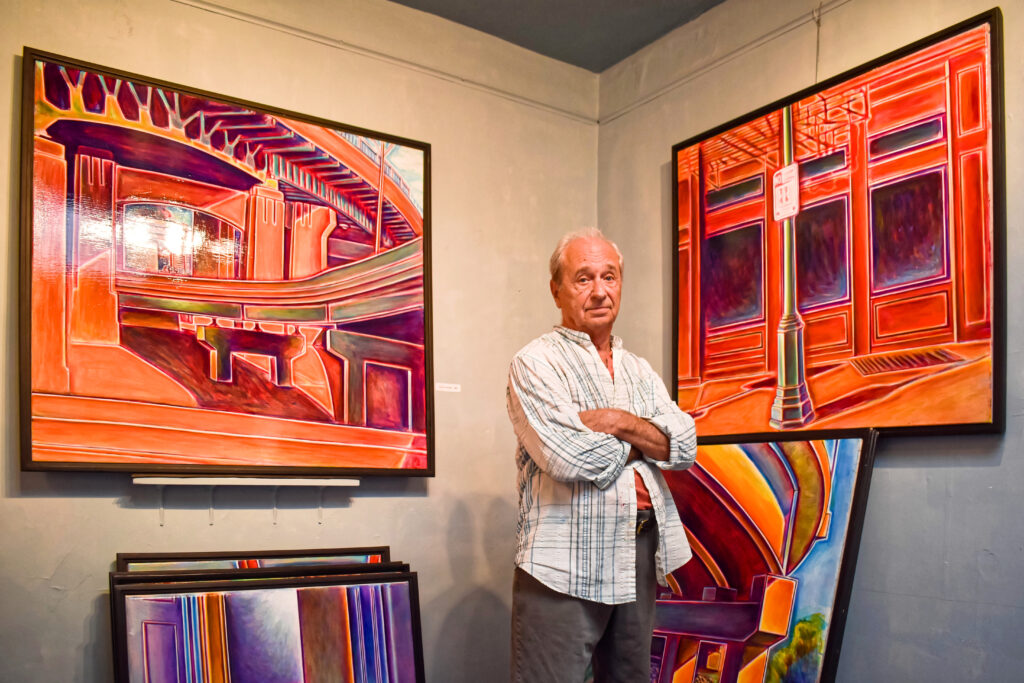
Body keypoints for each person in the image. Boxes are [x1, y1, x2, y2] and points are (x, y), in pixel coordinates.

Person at [506, 228, 698, 682]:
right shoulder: (535, 363)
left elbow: (685, 446)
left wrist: (618, 421)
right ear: (556, 290)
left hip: (640, 547)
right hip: (563, 560)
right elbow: (568, 457)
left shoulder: (639, 370)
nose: (599, 291)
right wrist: (648, 439)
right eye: (583, 278)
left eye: (609, 277)